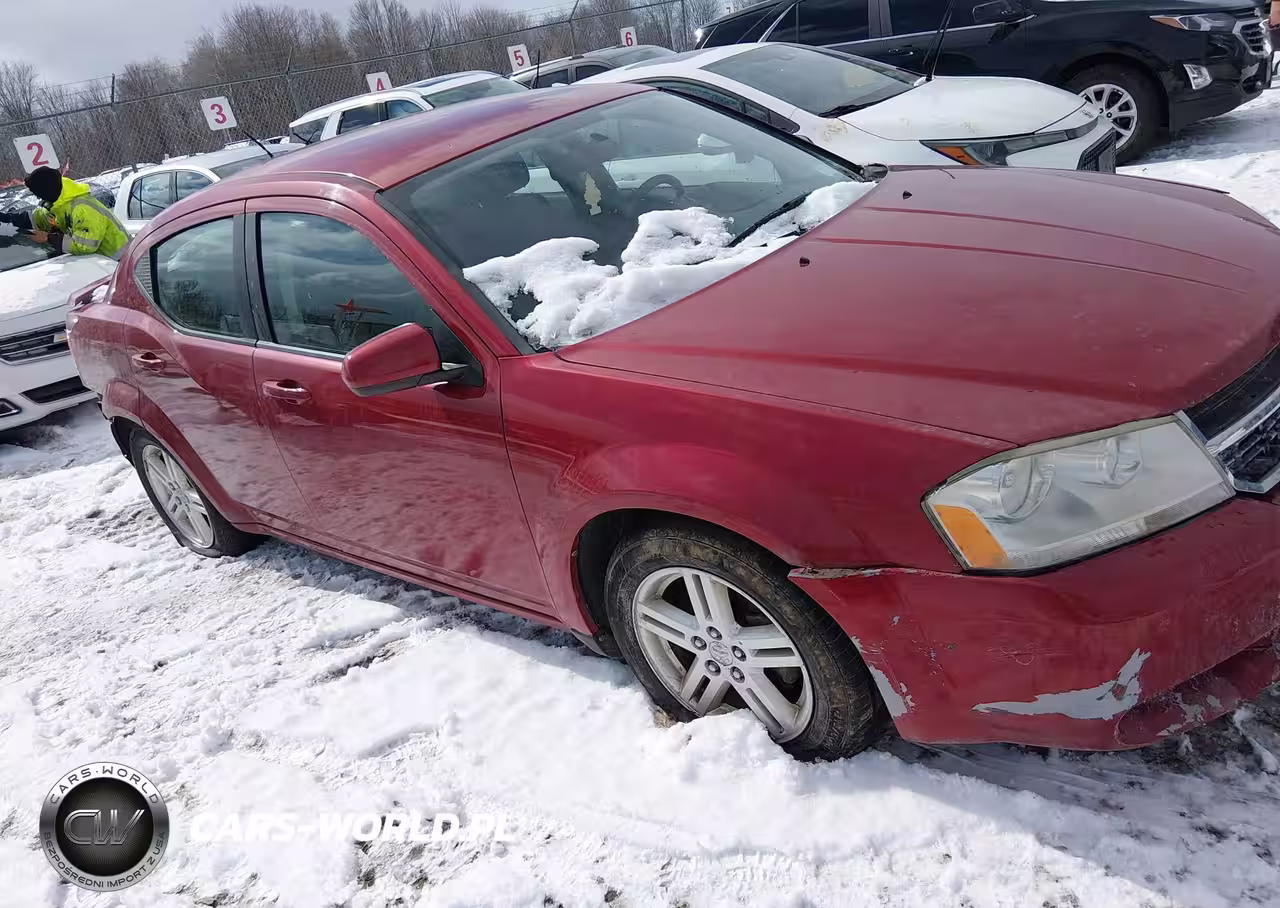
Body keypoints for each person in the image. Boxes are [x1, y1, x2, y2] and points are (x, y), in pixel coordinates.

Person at [0, 166, 129, 260]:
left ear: (47, 191)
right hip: (101, 261)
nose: (39, 199)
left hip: (121, 261)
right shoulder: (59, 204)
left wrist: (48, 238)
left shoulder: (82, 208)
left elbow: (85, 245)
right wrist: (7, 218)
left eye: (39, 194)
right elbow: (39, 218)